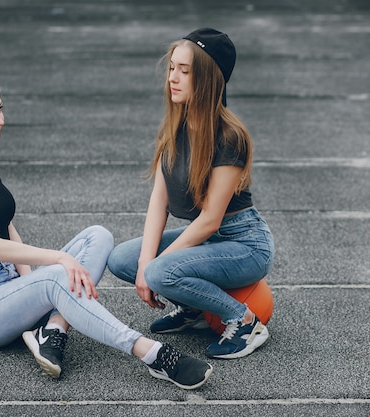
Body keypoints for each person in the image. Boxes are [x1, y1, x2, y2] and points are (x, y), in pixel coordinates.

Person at [0, 70, 213, 390]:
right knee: (59, 273)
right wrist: (56, 262)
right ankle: (153, 354)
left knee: (98, 236)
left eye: (0, 109)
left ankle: (54, 329)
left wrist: (29, 283)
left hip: (7, 288)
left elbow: (7, 228)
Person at [107, 28, 276, 360]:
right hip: (205, 240)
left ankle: (244, 321)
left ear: (210, 79)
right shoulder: (176, 125)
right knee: (122, 260)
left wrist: (154, 267)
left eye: (185, 71)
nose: (173, 77)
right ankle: (194, 309)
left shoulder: (230, 136)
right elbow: (160, 199)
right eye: (172, 68)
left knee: (160, 270)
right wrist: (143, 263)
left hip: (244, 243)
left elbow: (211, 221)